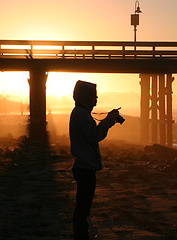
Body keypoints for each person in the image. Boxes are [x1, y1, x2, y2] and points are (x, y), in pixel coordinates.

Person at [69, 80, 120, 240]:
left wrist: (107, 121)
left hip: (84, 167)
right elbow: (94, 135)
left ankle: (81, 235)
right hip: (85, 168)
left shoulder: (81, 112)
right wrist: (108, 121)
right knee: (83, 209)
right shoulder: (80, 114)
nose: (96, 99)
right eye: (94, 96)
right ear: (85, 97)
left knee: (83, 208)